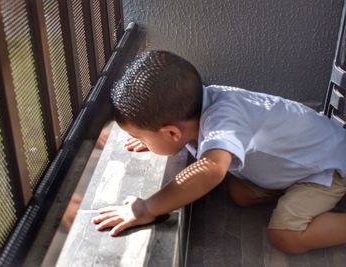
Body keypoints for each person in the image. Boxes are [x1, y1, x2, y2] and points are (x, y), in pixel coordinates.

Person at [92, 50, 346, 254]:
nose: (138, 141)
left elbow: (210, 171)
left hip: (326, 169)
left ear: (171, 133)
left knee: (285, 236)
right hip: (299, 160)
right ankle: (288, 190)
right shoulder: (201, 104)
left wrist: (148, 208)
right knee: (240, 194)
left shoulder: (224, 119)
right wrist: (151, 139)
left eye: (139, 136)